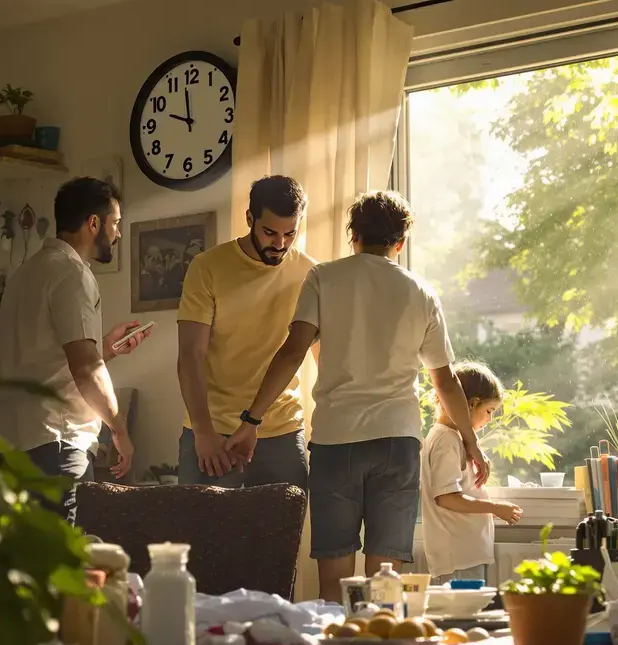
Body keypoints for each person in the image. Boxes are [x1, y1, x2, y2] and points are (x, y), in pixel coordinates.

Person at [225, 191, 490, 602]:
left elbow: (292, 352)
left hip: (336, 442)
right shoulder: (421, 292)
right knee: (386, 580)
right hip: (397, 442)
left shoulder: (323, 278)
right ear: (399, 243)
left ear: (354, 235)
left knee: (334, 579)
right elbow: (446, 381)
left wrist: (251, 421)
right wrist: (471, 443)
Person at [0, 177, 151, 523]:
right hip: (55, 449)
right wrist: (119, 430)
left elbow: (46, 360)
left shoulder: (24, 274)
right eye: (116, 223)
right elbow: (85, 370)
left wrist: (105, 346)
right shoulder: (73, 274)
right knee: (65, 568)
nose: (119, 233)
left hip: (6, 450)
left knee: (18, 569)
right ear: (94, 223)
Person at [176, 176, 314, 490]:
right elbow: (190, 354)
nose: (280, 244)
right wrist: (203, 431)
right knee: (197, 535)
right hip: (213, 431)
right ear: (249, 218)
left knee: (282, 537)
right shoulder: (207, 267)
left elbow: (322, 358)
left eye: (290, 233)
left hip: (280, 428)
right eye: (269, 232)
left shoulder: (310, 274)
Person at [421, 362, 523, 584]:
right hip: (457, 558)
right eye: (489, 411)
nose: (490, 420)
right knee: (462, 613)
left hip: (465, 556)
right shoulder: (446, 440)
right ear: (471, 403)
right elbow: (447, 498)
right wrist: (495, 508)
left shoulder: (455, 438)